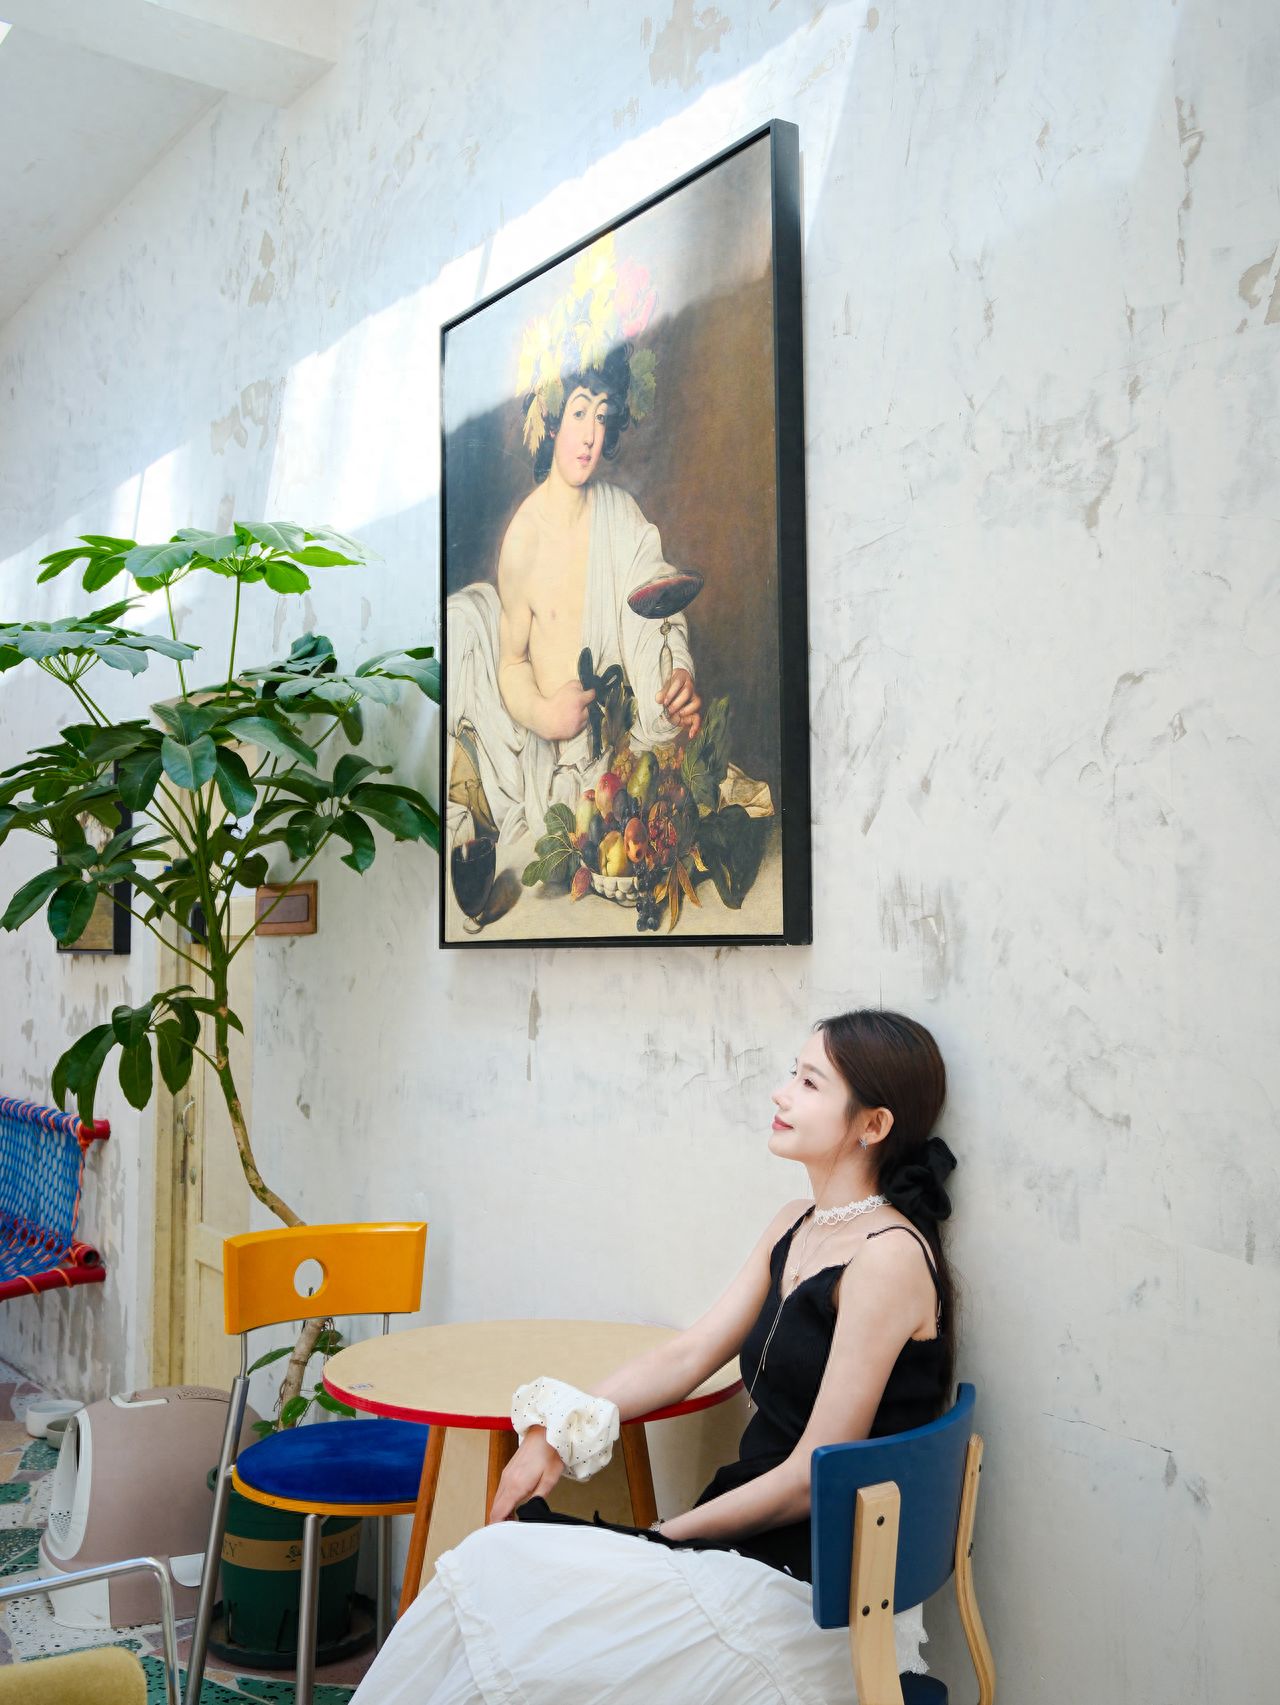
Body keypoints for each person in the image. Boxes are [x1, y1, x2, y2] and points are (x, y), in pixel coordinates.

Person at [352, 1010, 958, 1703]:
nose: (781, 1093)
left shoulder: (887, 1259)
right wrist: (563, 1427)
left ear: (871, 1125)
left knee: (499, 1573)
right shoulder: (796, 1222)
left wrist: (663, 1535)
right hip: (750, 1550)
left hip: (811, 1593)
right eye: (794, 1073)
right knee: (494, 1572)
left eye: (810, 1081)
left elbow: (805, 1478)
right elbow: (693, 1350)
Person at [446, 253, 702, 872]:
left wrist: (677, 682)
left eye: (603, 416)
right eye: (580, 411)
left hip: (617, 739)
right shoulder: (523, 540)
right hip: (551, 741)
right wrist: (545, 714)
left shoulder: (620, 515)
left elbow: (657, 611)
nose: (590, 434)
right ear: (553, 417)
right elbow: (511, 664)